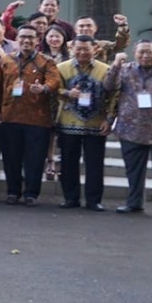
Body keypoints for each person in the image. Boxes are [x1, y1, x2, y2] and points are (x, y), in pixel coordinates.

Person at [103, 41, 152, 222]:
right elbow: (108, 87)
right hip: (130, 130)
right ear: (135, 54)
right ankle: (134, 202)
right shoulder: (125, 70)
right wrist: (115, 65)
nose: (145, 56)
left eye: (149, 52)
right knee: (133, 171)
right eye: (141, 52)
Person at [0, 25, 61, 206]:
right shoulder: (7, 60)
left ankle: (31, 193)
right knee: (11, 157)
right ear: (17, 39)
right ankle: (13, 192)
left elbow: (54, 81)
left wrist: (44, 88)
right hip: (10, 116)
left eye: (30, 38)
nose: (26, 41)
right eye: (22, 37)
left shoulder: (46, 61)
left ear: (37, 40)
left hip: (37, 119)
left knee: (35, 158)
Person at [55, 35, 117, 211]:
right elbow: (54, 89)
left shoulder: (105, 70)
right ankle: (70, 198)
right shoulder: (61, 68)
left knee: (95, 164)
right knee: (68, 163)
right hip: (69, 122)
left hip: (96, 123)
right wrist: (67, 93)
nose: (82, 52)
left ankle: (94, 200)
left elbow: (114, 96)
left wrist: (109, 119)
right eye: (78, 48)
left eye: (86, 49)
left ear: (95, 49)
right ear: (72, 49)